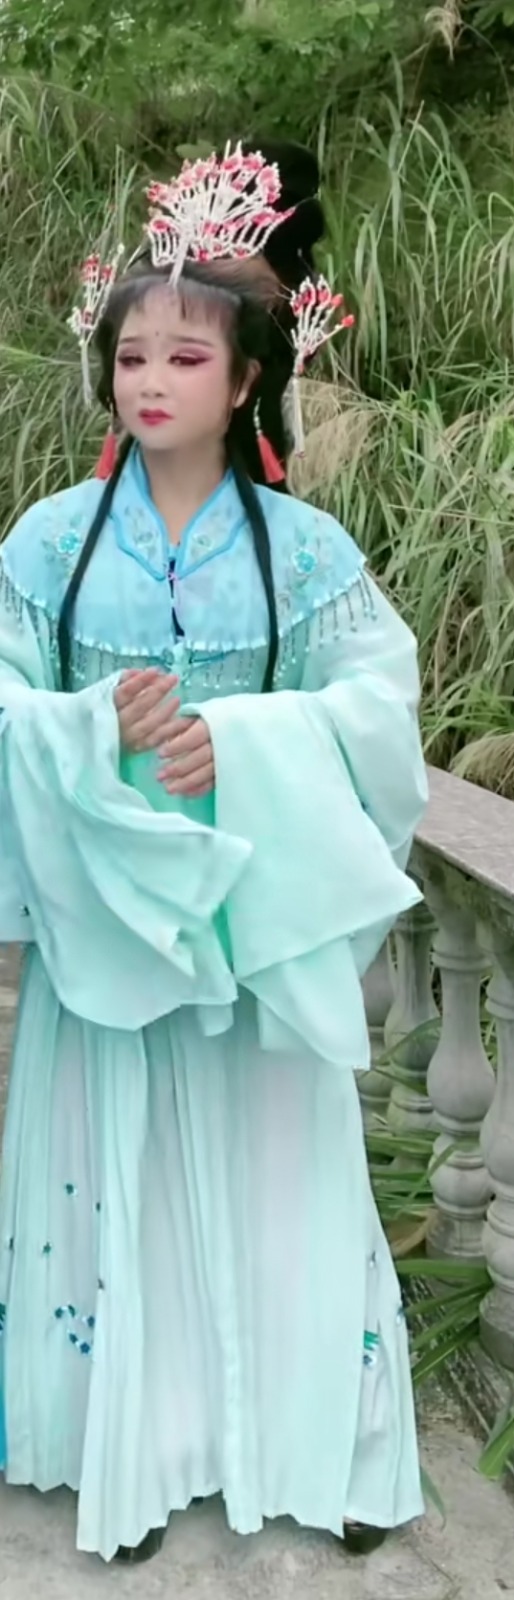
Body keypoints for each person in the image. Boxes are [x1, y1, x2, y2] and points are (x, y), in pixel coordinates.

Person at [0, 141, 427, 1565]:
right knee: (113, 1168)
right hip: (109, 917)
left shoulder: (304, 552)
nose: (152, 381)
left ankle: (331, 1453)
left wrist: (239, 747)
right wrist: (83, 728)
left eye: (186, 357)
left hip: (255, 911)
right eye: (132, 356)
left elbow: (375, 708)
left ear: (245, 380)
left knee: (282, 1173)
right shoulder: (47, 547)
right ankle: (128, 1453)